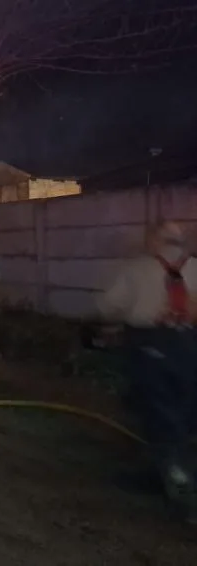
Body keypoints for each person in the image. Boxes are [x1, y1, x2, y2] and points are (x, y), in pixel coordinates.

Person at [97, 220, 197, 521]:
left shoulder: (138, 269)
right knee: (183, 411)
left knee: (158, 412)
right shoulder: (196, 268)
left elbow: (108, 306)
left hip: (150, 346)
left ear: (154, 241)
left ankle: (184, 493)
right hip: (190, 345)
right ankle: (162, 472)